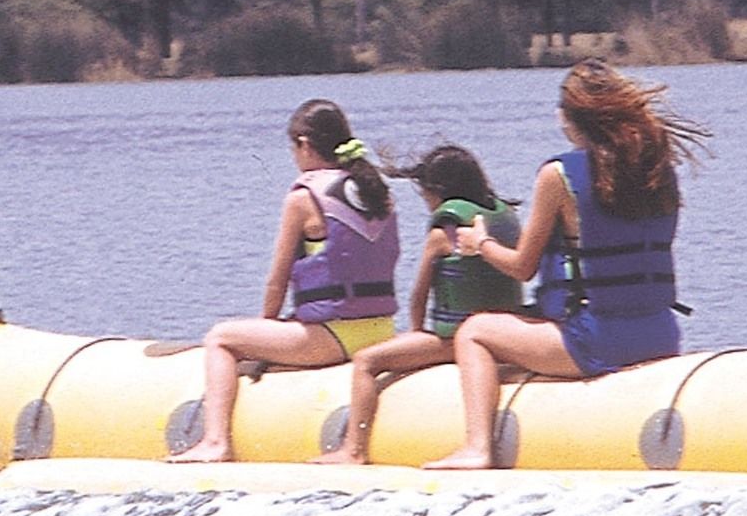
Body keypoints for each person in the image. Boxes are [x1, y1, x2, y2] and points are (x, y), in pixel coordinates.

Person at [422, 60, 700, 472]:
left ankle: (478, 447)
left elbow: (522, 267)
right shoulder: (659, 171)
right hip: (661, 332)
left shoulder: (558, 175)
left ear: (569, 119)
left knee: (475, 331)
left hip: (598, 339)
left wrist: (480, 244)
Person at [164, 96, 399, 464]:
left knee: (221, 338)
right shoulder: (377, 191)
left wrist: (266, 332)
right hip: (382, 331)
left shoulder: (303, 198)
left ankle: (216, 442)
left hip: (332, 336)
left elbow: (278, 279)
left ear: (304, 145)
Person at [316, 144, 519, 465]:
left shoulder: (442, 235)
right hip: (507, 334)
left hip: (455, 338)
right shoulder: (502, 218)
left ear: (438, 191)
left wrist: (416, 331)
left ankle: (353, 449)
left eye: (425, 194)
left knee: (366, 361)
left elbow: (419, 294)